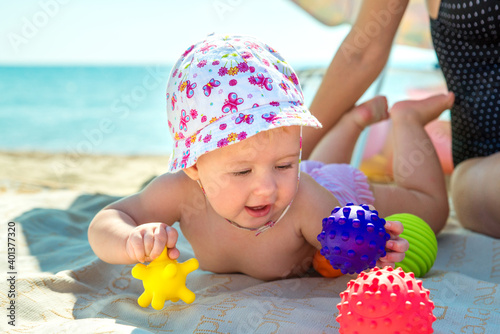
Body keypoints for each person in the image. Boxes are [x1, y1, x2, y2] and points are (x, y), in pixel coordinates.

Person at [88, 34, 451, 281]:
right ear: (195, 165)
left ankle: (406, 119)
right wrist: (130, 240)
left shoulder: (306, 200)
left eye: (283, 164)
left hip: (336, 188)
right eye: (242, 171)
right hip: (311, 174)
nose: (266, 188)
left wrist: (379, 250)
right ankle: (354, 121)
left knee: (433, 210)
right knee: (310, 170)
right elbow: (108, 220)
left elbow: (353, 251)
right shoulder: (180, 193)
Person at [303, 0, 500, 237]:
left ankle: (385, 121)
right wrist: (290, 159)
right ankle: (392, 121)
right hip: (482, 168)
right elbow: (362, 55)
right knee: (428, 209)